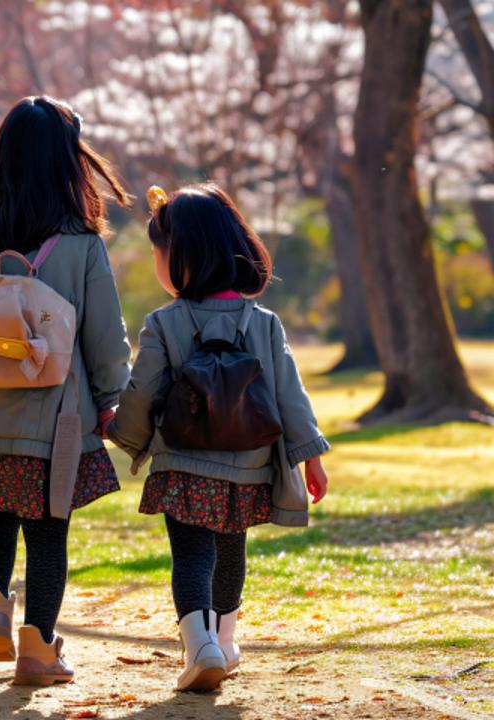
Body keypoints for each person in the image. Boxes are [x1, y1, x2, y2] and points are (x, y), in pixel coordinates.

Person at [0, 96, 132, 687]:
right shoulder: (82, 242)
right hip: (60, 422)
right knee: (48, 532)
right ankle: (37, 650)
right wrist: (113, 400)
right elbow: (105, 334)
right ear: (69, 163)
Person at [108, 183, 330, 692]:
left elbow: (143, 390)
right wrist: (310, 457)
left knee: (191, 556)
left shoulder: (165, 322)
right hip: (248, 464)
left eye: (157, 253)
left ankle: (199, 645)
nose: (155, 264)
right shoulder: (264, 323)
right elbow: (289, 394)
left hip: (183, 463)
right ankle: (225, 643)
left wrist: (124, 434)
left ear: (182, 256)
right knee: (231, 553)